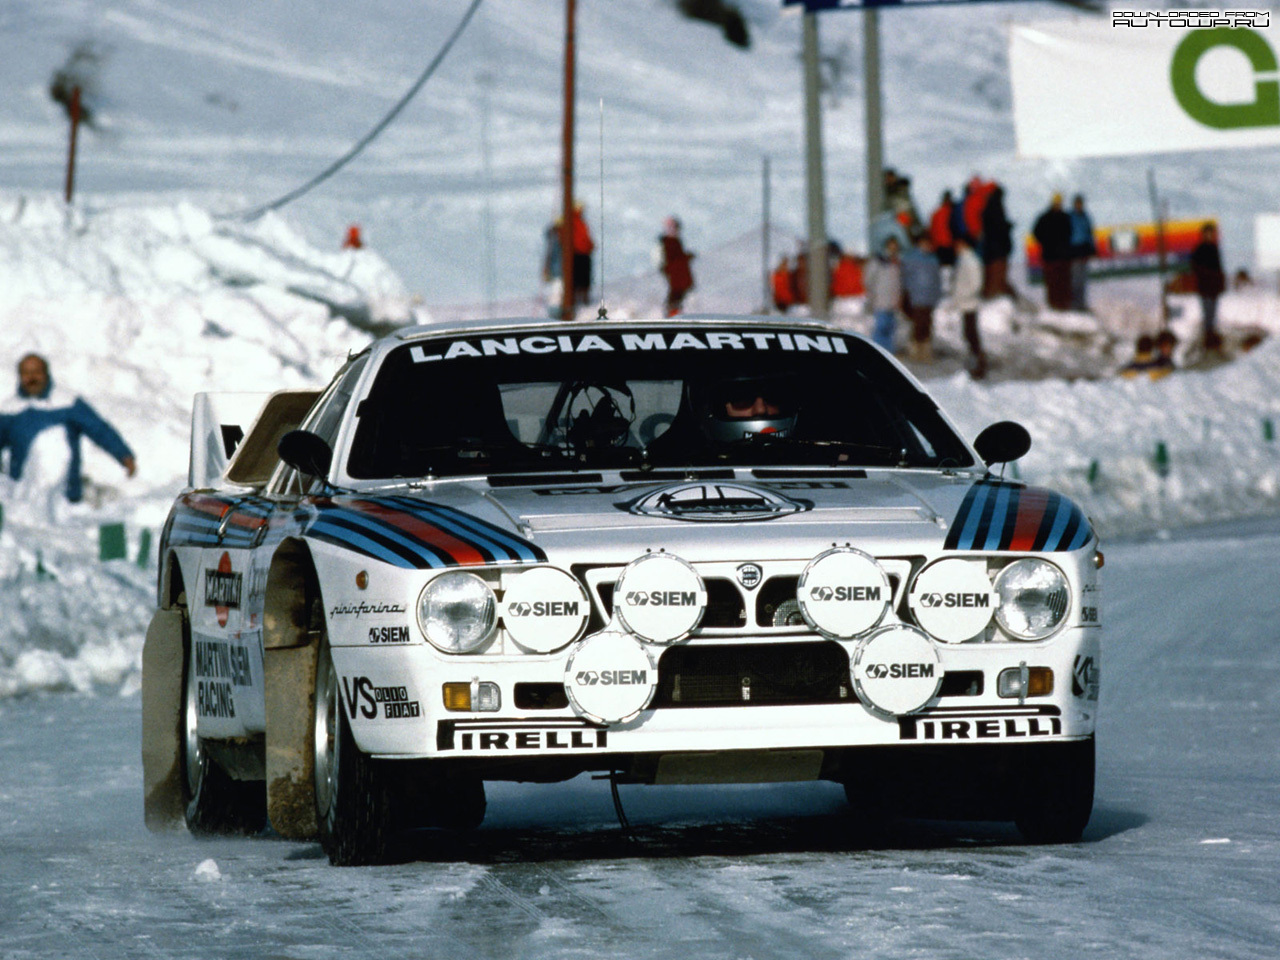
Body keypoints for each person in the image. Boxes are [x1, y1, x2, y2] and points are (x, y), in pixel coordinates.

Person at [0, 353, 136, 508]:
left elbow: (98, 429)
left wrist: (123, 455)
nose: (32, 377)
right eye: (26, 373)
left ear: (46, 373)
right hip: (24, 499)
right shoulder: (10, 409)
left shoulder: (67, 402)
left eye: (37, 372)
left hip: (66, 499)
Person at [901, 233, 943, 363]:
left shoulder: (933, 259)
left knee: (927, 324)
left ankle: (925, 351)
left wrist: (937, 295)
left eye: (928, 243)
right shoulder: (910, 258)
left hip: (929, 298)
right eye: (924, 243)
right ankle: (915, 350)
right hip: (916, 298)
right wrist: (906, 295)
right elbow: (904, 278)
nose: (926, 246)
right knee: (918, 324)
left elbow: (937, 280)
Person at [952, 235, 986, 379]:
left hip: (969, 303)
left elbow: (976, 284)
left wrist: (962, 295)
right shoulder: (963, 260)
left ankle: (978, 362)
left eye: (958, 244)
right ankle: (975, 360)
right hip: (965, 303)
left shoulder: (971, 261)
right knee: (968, 332)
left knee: (971, 333)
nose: (956, 248)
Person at [1033, 193, 1074, 311]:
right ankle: (1053, 306)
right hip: (1050, 256)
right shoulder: (1044, 218)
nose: (1058, 205)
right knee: (1052, 283)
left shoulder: (1066, 217)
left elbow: (1071, 234)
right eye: (1056, 203)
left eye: (1059, 203)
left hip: (1063, 257)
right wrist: (1046, 242)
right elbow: (1036, 233)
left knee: (1064, 283)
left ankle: (1064, 306)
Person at [864, 236, 903, 354]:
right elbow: (868, 279)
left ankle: (888, 353)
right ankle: (878, 352)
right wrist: (873, 295)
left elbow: (898, 283)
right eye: (891, 246)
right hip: (880, 300)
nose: (893, 248)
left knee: (891, 329)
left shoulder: (897, 262)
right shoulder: (878, 261)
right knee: (880, 328)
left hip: (893, 302)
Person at [1190, 222, 1225, 351]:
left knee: (1213, 314)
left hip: (1214, 288)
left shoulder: (1215, 248)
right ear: (1204, 234)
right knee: (1207, 314)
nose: (1210, 235)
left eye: (1211, 233)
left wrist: (1220, 284)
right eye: (1208, 233)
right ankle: (1207, 339)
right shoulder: (1199, 249)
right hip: (1205, 287)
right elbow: (1196, 267)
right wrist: (1207, 275)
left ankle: (1212, 339)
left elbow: (1219, 268)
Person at [980, 184, 1014, 300]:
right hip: (998, 251)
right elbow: (998, 229)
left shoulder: (988, 207)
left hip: (991, 251)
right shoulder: (996, 207)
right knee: (997, 277)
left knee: (992, 278)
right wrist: (1007, 227)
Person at [657, 217, 695, 317]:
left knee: (677, 294)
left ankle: (674, 313)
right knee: (676, 294)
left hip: (678, 273)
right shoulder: (669, 242)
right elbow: (673, 258)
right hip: (676, 273)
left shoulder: (672, 241)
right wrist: (686, 257)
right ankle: (672, 314)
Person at [1068, 195, 1096, 311]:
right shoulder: (1070, 217)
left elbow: (1090, 233)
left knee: (1082, 279)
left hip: (1084, 250)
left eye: (1080, 203)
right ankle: (1074, 304)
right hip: (1073, 250)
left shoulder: (1085, 217)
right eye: (1077, 203)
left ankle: (1081, 303)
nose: (1079, 205)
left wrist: (1092, 248)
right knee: (1074, 278)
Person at [570, 201, 594, 306]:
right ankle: (577, 300)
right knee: (578, 278)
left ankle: (583, 299)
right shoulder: (573, 221)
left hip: (584, 253)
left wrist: (590, 245)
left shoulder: (580, 221)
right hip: (578, 254)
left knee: (584, 278)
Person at [541, 219, 564, 319]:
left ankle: (555, 314)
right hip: (558, 272)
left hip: (558, 271)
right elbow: (551, 256)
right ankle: (554, 316)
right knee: (556, 295)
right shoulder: (556, 240)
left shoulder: (553, 239)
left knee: (556, 294)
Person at [929, 190, 956, 267]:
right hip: (949, 244)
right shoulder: (950, 211)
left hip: (939, 246)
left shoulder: (936, 213)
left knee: (944, 268)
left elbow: (931, 231)